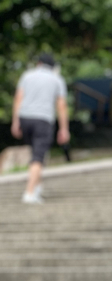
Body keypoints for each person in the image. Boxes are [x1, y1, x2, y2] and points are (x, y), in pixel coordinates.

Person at [11, 53, 70, 204]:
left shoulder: (27, 75)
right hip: (43, 119)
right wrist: (64, 128)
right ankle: (29, 193)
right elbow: (61, 105)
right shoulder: (57, 79)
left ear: (39, 63)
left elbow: (18, 98)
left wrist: (15, 121)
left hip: (25, 118)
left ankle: (37, 187)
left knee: (35, 152)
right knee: (38, 156)